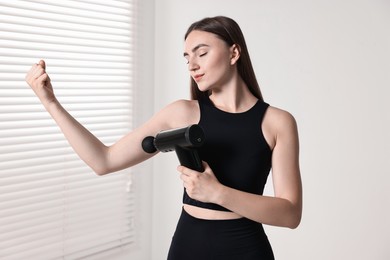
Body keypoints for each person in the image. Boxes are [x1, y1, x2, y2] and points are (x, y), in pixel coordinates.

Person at [26, 16, 302, 260]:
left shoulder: (277, 122)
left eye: (201, 53)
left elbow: (290, 214)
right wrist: (51, 102)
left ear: (234, 53)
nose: (192, 65)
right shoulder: (182, 113)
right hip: (188, 247)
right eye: (186, 58)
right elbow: (103, 160)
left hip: (247, 250)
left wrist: (218, 193)